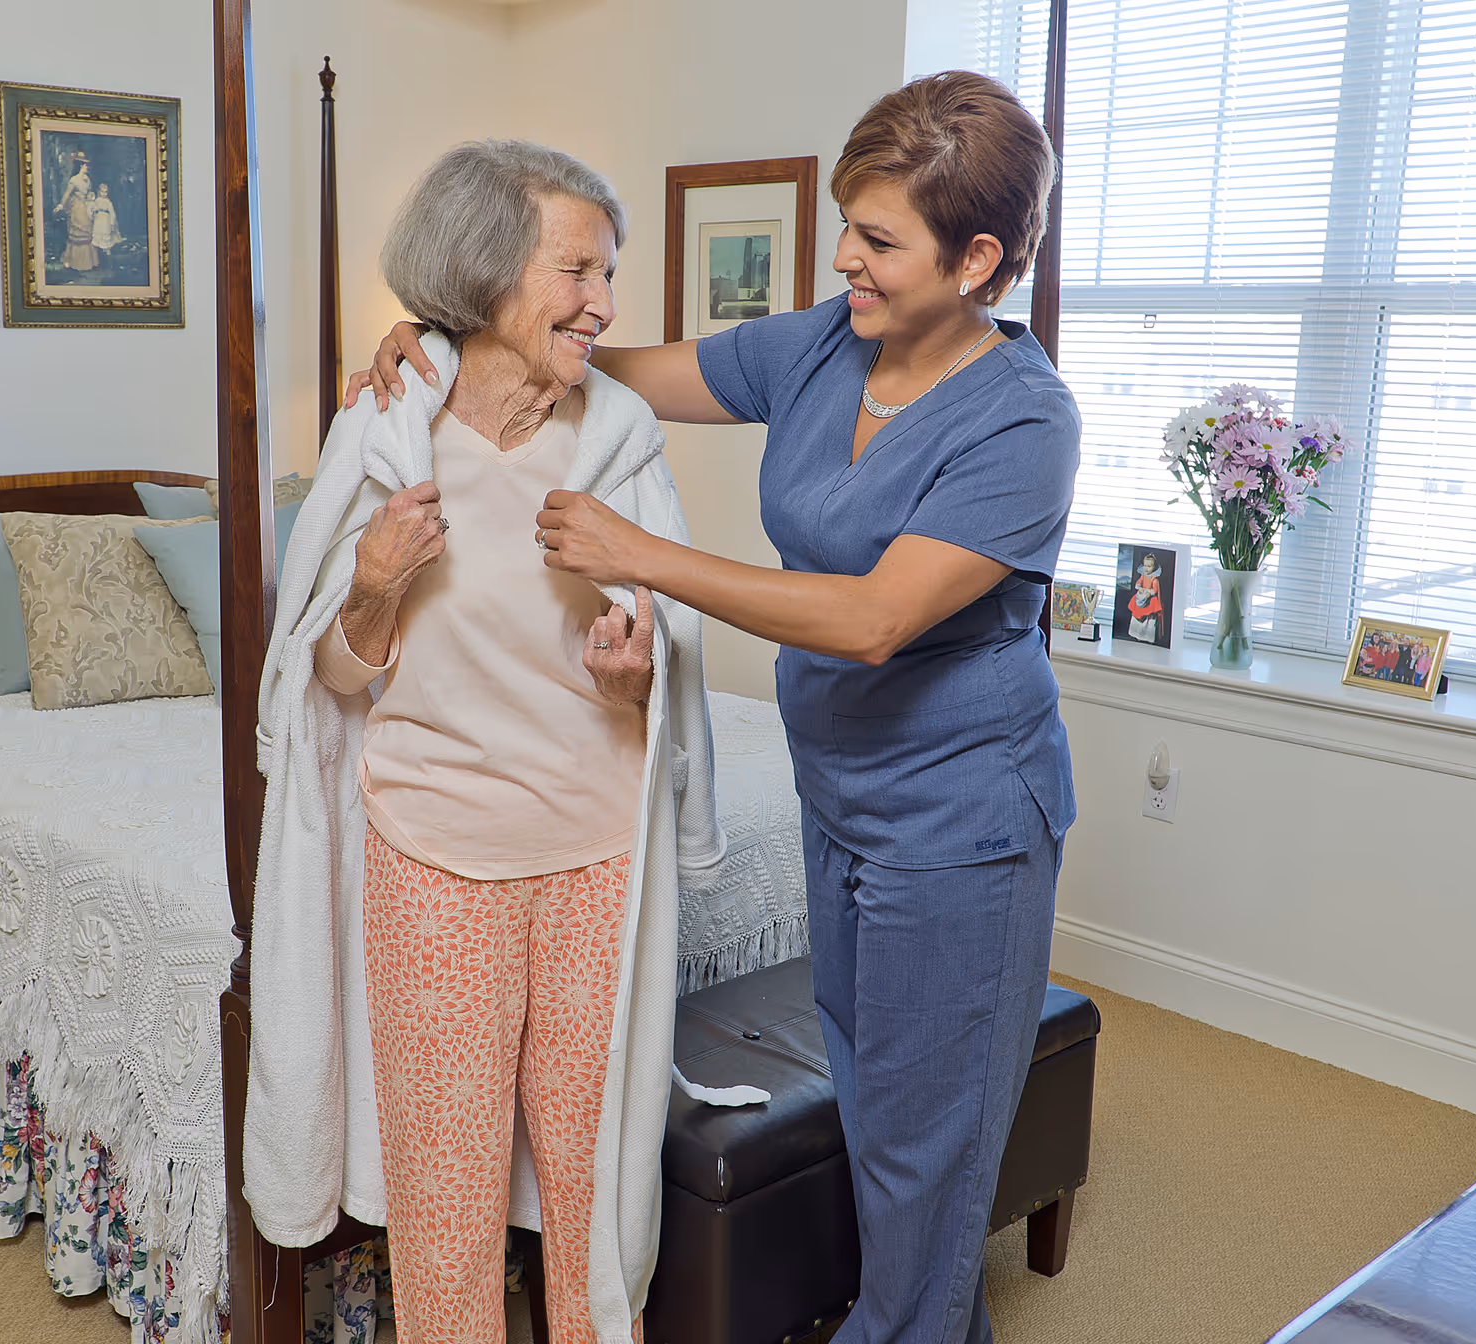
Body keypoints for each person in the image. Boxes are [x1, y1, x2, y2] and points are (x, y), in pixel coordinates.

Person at [353, 71, 1079, 1344]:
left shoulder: (1024, 423)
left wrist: (642, 554)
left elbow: (871, 620)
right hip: (839, 793)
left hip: (962, 816)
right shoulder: (823, 342)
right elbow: (613, 365)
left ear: (976, 262)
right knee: (870, 1094)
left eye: (879, 239)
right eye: (846, 222)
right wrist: (448, 344)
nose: (842, 255)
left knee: (932, 1141)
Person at [247, 140, 737, 1344]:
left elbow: (665, 666)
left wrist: (638, 675)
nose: (604, 302)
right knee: (447, 1196)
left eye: (608, 272)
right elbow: (326, 679)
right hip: (435, 857)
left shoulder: (618, 439)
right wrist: (367, 591)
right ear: (485, 270)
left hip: (594, 863)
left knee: (591, 1187)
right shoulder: (385, 436)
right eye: (576, 268)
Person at [54, 154, 97, 272]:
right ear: (80, 166)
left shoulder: (88, 179)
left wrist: (91, 196)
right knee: (78, 232)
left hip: (86, 207)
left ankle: (88, 262)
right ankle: (74, 262)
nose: (86, 167)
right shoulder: (74, 180)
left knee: (88, 232)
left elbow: (89, 192)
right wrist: (61, 205)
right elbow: (67, 194)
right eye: (84, 165)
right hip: (77, 208)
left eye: (87, 165)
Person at [1128, 552, 1163, 643]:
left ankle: (1148, 635)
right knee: (1136, 603)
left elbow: (1154, 590)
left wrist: (1149, 593)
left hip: (1149, 597)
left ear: (1154, 567)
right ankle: (1137, 633)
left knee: (1150, 609)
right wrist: (1139, 588)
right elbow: (1138, 583)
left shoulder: (1154, 578)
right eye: (1145, 565)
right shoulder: (1143, 575)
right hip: (1142, 595)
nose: (1147, 568)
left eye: (1149, 566)